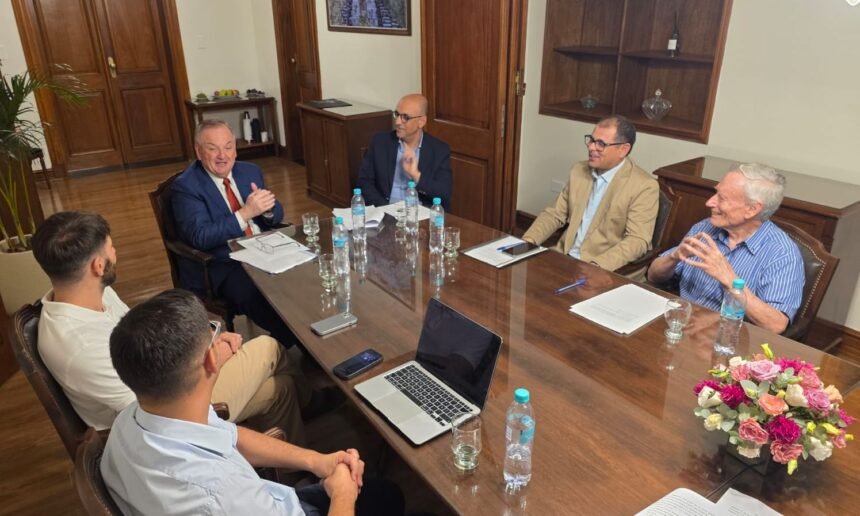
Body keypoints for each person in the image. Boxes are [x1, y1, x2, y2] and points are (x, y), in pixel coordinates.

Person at [102, 289, 404, 516]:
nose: (224, 338)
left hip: (268, 498)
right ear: (210, 359)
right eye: (214, 331)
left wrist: (316, 460)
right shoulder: (220, 496)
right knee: (388, 497)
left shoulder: (135, 418)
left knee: (384, 495)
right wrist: (342, 495)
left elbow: (228, 436)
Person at [31, 211, 305, 443]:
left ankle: (290, 466)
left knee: (279, 388)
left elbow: (146, 342)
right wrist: (212, 360)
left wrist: (202, 343)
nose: (116, 252)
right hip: (160, 423)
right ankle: (309, 398)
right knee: (269, 348)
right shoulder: (80, 347)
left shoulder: (87, 292)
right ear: (98, 265)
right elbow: (159, 412)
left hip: (162, 384)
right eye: (111, 248)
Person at [172, 119, 296, 347]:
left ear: (235, 149)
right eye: (213, 148)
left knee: (306, 280)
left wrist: (267, 211)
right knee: (262, 300)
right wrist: (245, 213)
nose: (222, 155)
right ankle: (297, 347)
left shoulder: (250, 171)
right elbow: (200, 236)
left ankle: (302, 338)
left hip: (266, 247)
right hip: (226, 263)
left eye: (228, 147)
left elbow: (275, 214)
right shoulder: (186, 186)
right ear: (199, 151)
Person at [647, 163, 804, 334]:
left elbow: (775, 325)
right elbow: (653, 276)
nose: (709, 202)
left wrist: (729, 279)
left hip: (727, 340)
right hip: (680, 324)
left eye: (722, 198)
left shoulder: (782, 253)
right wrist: (673, 258)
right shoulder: (705, 227)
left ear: (752, 209)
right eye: (716, 193)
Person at [522, 116, 659, 274]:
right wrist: (528, 241)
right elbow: (554, 214)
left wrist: (597, 266)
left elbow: (637, 240)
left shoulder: (643, 186)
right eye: (591, 140)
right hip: (563, 258)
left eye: (600, 144)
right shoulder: (579, 171)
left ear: (623, 149)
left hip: (603, 269)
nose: (591, 147)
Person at [357, 94, 452, 210]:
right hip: (384, 212)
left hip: (419, 219)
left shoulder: (439, 150)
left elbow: (444, 194)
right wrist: (386, 210)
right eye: (397, 114)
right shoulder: (380, 142)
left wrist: (416, 175)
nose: (397, 122)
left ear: (421, 121)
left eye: (405, 117)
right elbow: (364, 183)